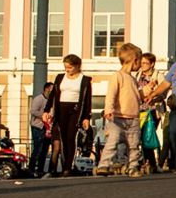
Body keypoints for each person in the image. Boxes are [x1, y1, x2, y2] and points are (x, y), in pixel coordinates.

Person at [95, 43, 145, 177]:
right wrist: (108, 109)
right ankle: (103, 165)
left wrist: (147, 91)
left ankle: (133, 167)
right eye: (140, 61)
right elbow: (111, 94)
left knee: (134, 145)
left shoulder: (133, 80)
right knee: (113, 141)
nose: (140, 65)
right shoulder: (118, 76)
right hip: (118, 117)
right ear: (135, 59)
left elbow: (137, 96)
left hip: (133, 118)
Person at [43, 55, 92, 177]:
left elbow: (87, 100)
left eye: (70, 67)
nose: (67, 70)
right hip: (61, 108)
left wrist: (87, 117)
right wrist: (46, 110)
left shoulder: (84, 80)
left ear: (77, 66)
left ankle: (67, 167)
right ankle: (65, 163)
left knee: (71, 137)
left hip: (75, 109)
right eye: (65, 67)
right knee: (63, 137)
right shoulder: (60, 78)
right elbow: (53, 94)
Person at [137, 53, 164, 174]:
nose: (141, 65)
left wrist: (154, 97)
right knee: (140, 137)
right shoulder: (137, 75)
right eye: (140, 63)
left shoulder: (158, 76)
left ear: (152, 63)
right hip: (139, 111)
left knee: (147, 136)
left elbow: (163, 93)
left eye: (144, 63)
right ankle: (150, 163)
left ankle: (152, 163)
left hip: (153, 111)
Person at [29, 82, 52, 177]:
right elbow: (33, 111)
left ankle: (40, 169)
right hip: (38, 127)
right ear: (46, 89)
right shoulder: (39, 99)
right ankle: (31, 168)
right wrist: (43, 116)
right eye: (52, 88)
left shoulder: (51, 100)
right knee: (38, 148)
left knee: (44, 150)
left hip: (47, 128)